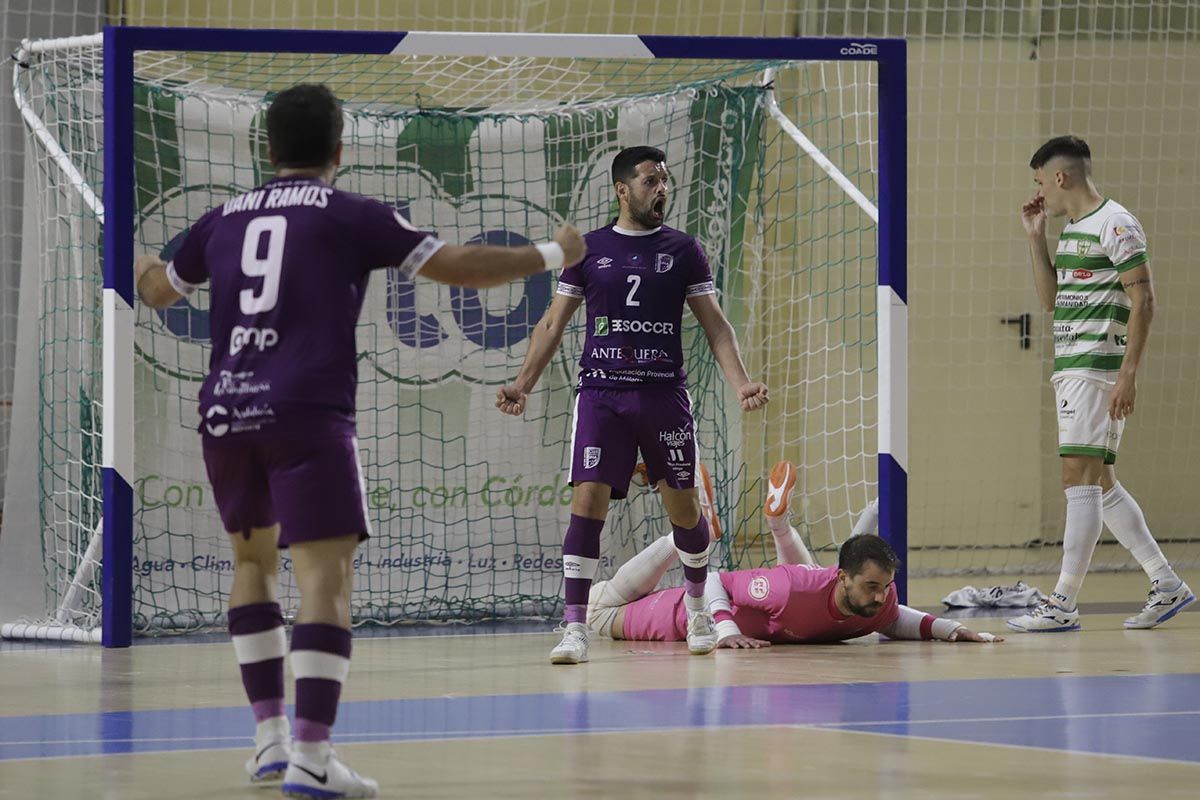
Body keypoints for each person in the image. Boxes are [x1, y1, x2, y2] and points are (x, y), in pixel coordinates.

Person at [134, 84, 586, 799]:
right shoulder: (351, 214)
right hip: (305, 411)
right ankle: (313, 758)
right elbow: (460, 269)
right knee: (327, 581)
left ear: (268, 149)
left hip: (225, 411)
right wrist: (551, 251)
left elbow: (159, 290)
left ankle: (269, 745)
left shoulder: (219, 219)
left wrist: (138, 264)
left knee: (251, 566)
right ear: (338, 151)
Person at [496, 145, 769, 665]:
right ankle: (574, 627)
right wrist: (522, 384)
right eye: (650, 181)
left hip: (663, 394)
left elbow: (716, 325)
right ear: (622, 190)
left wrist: (741, 384)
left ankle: (696, 608)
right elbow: (553, 323)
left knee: (684, 510)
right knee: (587, 500)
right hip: (601, 393)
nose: (661, 188)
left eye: (665, 180)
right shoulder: (588, 249)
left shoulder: (685, 250)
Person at [1009, 135, 1193, 633]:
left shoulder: (1116, 223)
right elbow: (1051, 301)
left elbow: (1145, 301)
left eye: (1039, 181)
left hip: (1097, 366)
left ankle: (1063, 602)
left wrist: (1127, 375)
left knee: (1077, 480)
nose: (1039, 191)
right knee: (1100, 482)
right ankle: (1167, 582)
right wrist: (1035, 236)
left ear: (1060, 177)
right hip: (1073, 366)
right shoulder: (1071, 230)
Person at [587, 461, 1001, 646]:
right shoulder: (789, 589)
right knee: (594, 610)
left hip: (688, 613)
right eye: (873, 587)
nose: (881, 597)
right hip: (670, 615)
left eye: (883, 587)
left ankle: (699, 536)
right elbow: (715, 579)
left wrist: (951, 631)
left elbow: (895, 620)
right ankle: (691, 536)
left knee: (593, 612)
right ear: (845, 578)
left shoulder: (878, 600)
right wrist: (727, 631)